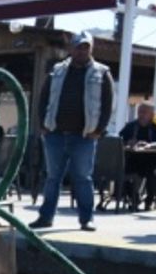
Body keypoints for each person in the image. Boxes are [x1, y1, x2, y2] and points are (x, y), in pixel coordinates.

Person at [30, 30, 115, 232]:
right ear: (71, 48)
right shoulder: (57, 70)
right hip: (55, 134)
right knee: (52, 177)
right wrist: (42, 124)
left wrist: (99, 130)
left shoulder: (102, 72)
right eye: (78, 47)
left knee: (83, 178)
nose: (82, 51)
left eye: (86, 47)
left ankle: (87, 219)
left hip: (84, 136)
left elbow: (108, 103)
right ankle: (46, 217)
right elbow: (43, 98)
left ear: (91, 49)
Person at [118, 101, 156, 210]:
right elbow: (119, 140)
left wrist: (148, 145)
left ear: (152, 114)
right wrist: (128, 142)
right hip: (134, 159)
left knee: (154, 174)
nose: (141, 115)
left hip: (153, 159)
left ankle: (149, 200)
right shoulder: (131, 126)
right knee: (123, 171)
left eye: (144, 112)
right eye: (139, 112)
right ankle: (133, 198)